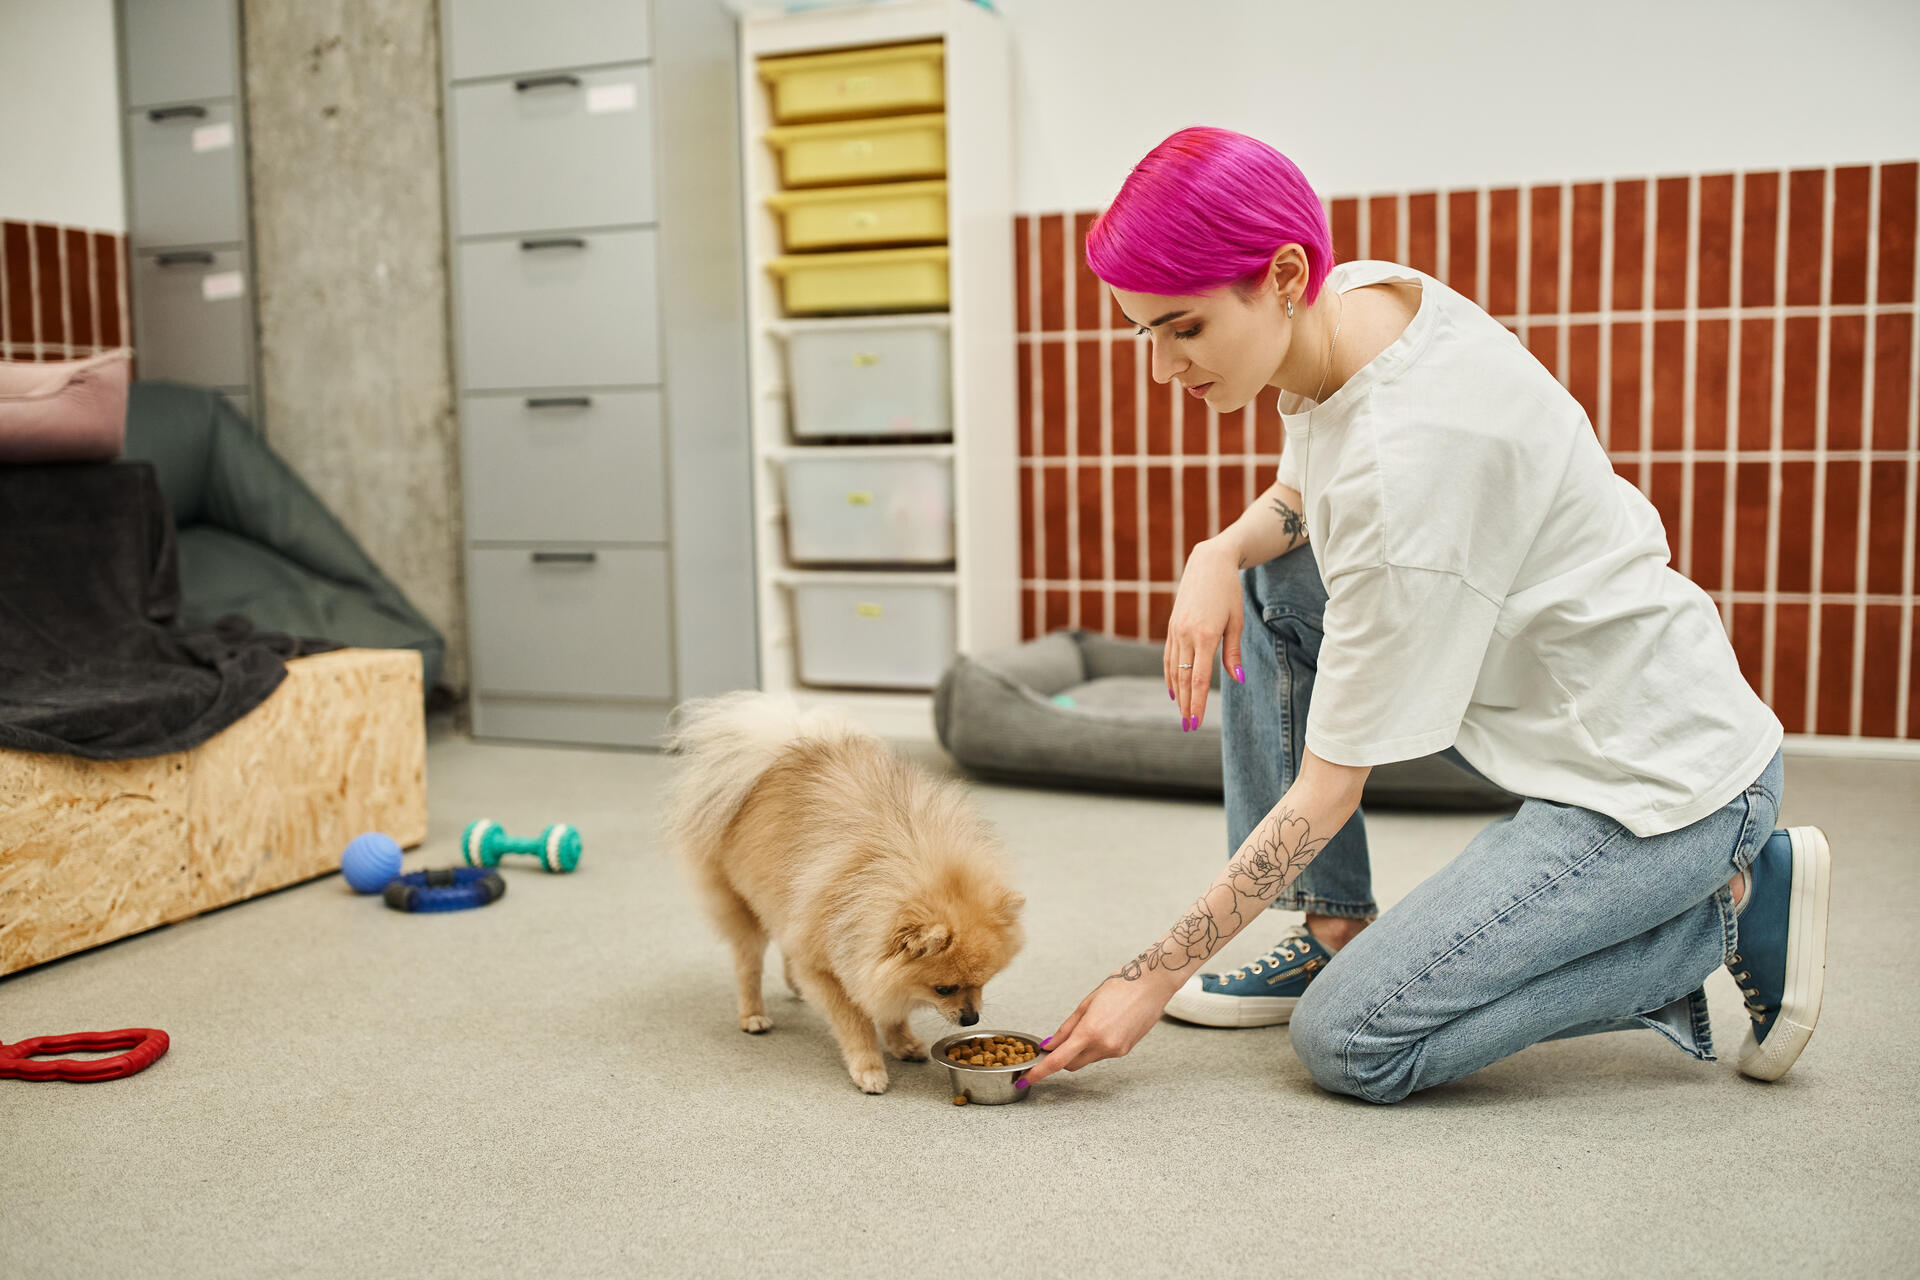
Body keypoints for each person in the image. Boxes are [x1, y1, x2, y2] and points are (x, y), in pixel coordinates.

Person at [1016, 127, 1830, 1103]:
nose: (1163, 369)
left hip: (1661, 786)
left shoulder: (1407, 476)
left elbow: (1325, 792)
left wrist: (1143, 974)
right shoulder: (1357, 302)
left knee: (1352, 1040)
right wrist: (1220, 551)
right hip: (1563, 715)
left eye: (1183, 329)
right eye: (1144, 334)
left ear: (1279, 276)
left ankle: (1730, 905)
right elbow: (1313, 490)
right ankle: (1333, 932)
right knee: (1272, 587)